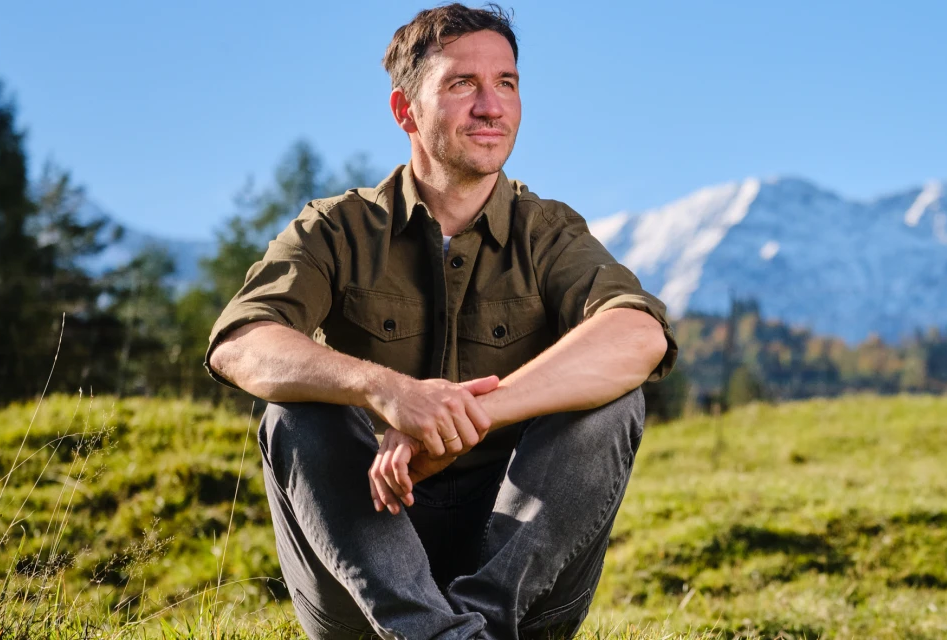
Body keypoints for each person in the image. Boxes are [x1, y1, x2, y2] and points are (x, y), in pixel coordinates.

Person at [203, 5, 677, 638]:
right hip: (366, 567)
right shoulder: (335, 229)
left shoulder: (550, 232)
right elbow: (241, 342)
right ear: (406, 111)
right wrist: (388, 391)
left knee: (613, 406)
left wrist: (463, 414)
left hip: (516, 575)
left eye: (505, 83)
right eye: (463, 85)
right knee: (294, 412)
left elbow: (639, 333)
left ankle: (464, 628)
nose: (492, 106)